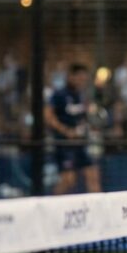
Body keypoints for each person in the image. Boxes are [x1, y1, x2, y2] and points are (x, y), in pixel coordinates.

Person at [45, 63, 103, 194]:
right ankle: (50, 208)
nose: (82, 82)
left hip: (80, 143)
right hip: (64, 145)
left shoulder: (82, 96)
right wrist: (65, 130)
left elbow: (83, 116)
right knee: (68, 180)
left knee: (93, 175)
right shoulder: (59, 94)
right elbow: (48, 116)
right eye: (80, 78)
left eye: (84, 79)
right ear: (71, 76)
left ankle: (99, 211)